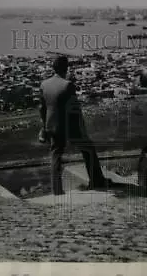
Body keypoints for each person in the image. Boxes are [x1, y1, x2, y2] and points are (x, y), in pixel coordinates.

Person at [39, 56, 111, 195]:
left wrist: (44, 126)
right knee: (88, 149)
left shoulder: (44, 84)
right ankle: (97, 181)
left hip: (51, 125)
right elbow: (74, 109)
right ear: (66, 68)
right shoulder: (67, 85)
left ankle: (57, 190)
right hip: (69, 125)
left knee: (56, 155)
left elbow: (42, 108)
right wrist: (81, 127)